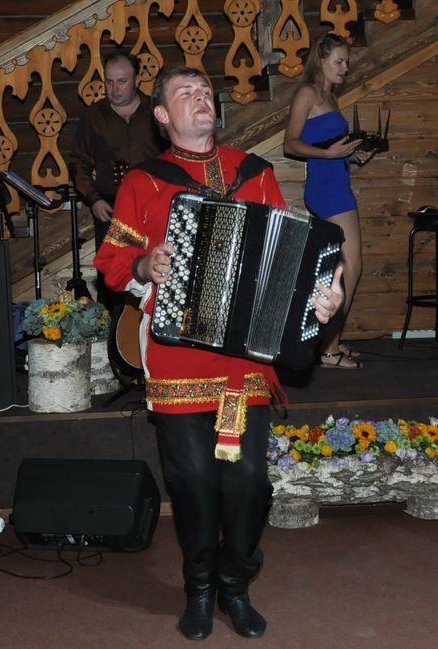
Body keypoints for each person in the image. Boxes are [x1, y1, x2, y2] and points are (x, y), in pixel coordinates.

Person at [94, 67, 344, 640]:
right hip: (178, 362)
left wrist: (319, 297)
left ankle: (235, 580)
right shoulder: (144, 182)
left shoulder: (253, 172)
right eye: (185, 93)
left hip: (243, 364)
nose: (200, 98)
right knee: (193, 485)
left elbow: (286, 253)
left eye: (205, 91)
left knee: (250, 482)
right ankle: (201, 586)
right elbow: (110, 263)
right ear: (162, 116)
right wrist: (144, 264)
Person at [283, 33, 375, 369]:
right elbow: (290, 144)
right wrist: (328, 154)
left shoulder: (330, 96)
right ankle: (329, 350)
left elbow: (329, 146)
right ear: (320, 60)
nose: (345, 68)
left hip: (338, 181)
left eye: (347, 62)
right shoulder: (307, 92)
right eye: (339, 61)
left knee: (344, 266)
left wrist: (352, 154)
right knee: (352, 266)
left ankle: (331, 342)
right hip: (326, 189)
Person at [67, 50, 164, 306]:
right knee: (112, 276)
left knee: (153, 268)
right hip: (110, 208)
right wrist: (93, 199)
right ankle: (113, 329)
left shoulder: (156, 111)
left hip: (153, 206)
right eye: (109, 81)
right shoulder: (93, 116)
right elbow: (78, 161)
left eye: (122, 81)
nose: (114, 88)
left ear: (137, 80)